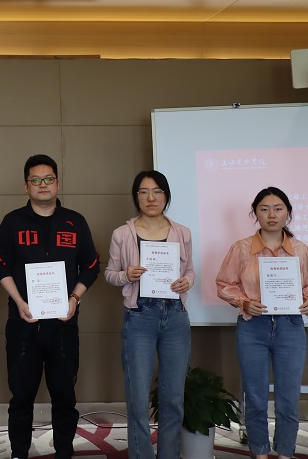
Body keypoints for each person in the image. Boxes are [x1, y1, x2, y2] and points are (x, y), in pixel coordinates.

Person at [0, 154, 100, 459]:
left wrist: (74, 299)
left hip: (63, 326)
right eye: (36, 180)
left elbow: (91, 266)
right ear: (26, 186)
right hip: (23, 324)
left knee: (65, 396)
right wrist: (19, 301)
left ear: (57, 183)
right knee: (21, 398)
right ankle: (19, 453)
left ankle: (64, 452)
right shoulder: (12, 222)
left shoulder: (75, 222)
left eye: (48, 179)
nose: (43, 185)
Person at [216, 187, 308, 459]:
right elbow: (224, 284)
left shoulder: (300, 250)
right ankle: (260, 453)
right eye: (264, 209)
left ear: (288, 213)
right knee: (255, 397)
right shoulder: (241, 248)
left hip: (290, 327)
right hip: (253, 328)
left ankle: (285, 453)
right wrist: (243, 302)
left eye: (278, 209)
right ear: (255, 213)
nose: (271, 215)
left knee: (288, 398)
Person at [104, 171, 194, 459]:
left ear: (166, 195)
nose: (151, 198)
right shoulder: (122, 234)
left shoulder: (182, 232)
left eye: (157, 191)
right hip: (140, 316)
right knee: (138, 398)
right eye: (143, 192)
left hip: (175, 316)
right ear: (136, 197)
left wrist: (187, 282)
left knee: (173, 398)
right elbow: (110, 273)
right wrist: (126, 275)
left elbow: (190, 271)